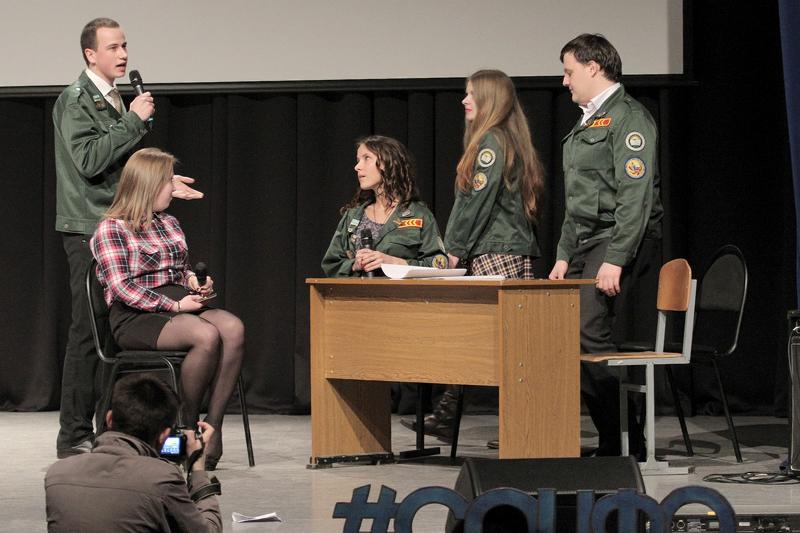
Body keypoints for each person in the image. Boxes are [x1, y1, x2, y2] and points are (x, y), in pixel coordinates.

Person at [54, 17, 201, 459]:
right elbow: (88, 160)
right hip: (89, 229)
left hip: (119, 227)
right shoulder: (76, 100)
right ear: (90, 54)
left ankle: (107, 430)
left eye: (124, 46)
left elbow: (121, 169)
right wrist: (134, 121)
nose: (123, 55)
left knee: (111, 334)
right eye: (113, 47)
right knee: (90, 332)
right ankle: (73, 436)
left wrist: (161, 184)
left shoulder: (114, 98)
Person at [402, 69, 545, 444]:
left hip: (498, 253)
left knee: (506, 344)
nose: (464, 100)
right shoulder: (502, 140)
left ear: (489, 99)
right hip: (496, 250)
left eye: (470, 94)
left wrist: (453, 250)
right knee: (487, 339)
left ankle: (522, 426)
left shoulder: (492, 143)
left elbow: (475, 205)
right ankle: (449, 414)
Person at [91, 147, 243, 470]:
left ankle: (212, 428)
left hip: (176, 303)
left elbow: (180, 271)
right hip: (135, 314)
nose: (173, 189)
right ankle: (185, 430)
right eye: (167, 182)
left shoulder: (169, 222)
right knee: (205, 336)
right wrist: (173, 304)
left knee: (232, 328)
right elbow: (121, 288)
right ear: (147, 185)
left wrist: (195, 283)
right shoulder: (111, 229)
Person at [549, 34, 663, 457]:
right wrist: (563, 254)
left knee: (587, 330)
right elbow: (577, 200)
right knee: (566, 332)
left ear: (593, 67)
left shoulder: (629, 118)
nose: (565, 81)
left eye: (569, 71)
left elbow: (636, 197)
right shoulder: (586, 122)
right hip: (585, 240)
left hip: (618, 238)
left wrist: (615, 258)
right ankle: (615, 439)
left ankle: (624, 441)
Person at [45, 374, 222, 532]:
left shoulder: (57, 475)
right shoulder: (162, 479)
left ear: (109, 419)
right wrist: (198, 467)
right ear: (164, 436)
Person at [322, 135, 448, 276]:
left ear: (388, 163)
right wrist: (354, 265)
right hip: (360, 290)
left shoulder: (419, 215)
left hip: (399, 290)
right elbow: (331, 265)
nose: (357, 167)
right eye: (358, 160)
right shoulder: (353, 216)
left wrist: (394, 262)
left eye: (366, 158)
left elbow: (439, 265)